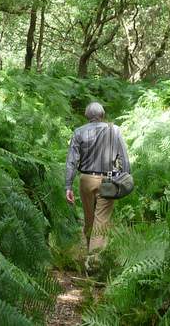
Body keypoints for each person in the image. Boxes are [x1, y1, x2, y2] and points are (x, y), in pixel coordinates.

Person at [65, 102, 131, 255]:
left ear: (87, 116)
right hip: (107, 182)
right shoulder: (114, 130)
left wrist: (68, 186)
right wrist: (125, 178)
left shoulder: (79, 132)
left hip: (86, 180)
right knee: (101, 221)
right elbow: (124, 158)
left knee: (89, 218)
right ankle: (94, 261)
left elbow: (71, 161)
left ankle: (89, 251)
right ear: (102, 115)